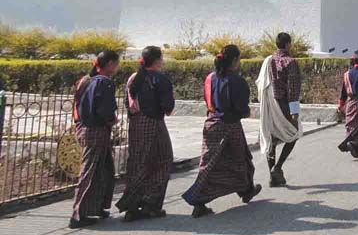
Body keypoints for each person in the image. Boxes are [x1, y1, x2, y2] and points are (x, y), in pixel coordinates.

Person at [182, 45, 261, 217]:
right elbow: (242, 109)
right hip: (229, 126)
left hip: (211, 124)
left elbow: (208, 100)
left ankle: (247, 190)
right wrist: (246, 112)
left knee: (212, 163)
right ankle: (198, 199)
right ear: (235, 60)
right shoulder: (237, 81)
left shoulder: (210, 78)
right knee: (237, 161)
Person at [116, 46, 175, 221]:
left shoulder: (133, 78)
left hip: (136, 124)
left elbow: (127, 103)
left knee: (138, 162)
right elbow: (168, 108)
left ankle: (132, 204)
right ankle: (151, 203)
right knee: (163, 160)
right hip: (154, 123)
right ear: (157, 60)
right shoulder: (160, 79)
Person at [69, 50, 120, 229]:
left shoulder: (86, 81)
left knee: (104, 169)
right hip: (96, 130)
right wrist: (112, 119)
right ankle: (78, 213)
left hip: (84, 128)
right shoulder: (104, 82)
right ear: (110, 64)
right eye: (116, 63)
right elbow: (105, 110)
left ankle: (96, 207)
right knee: (90, 171)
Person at [260, 32, 302, 187]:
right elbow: (293, 88)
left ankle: (273, 176)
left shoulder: (268, 60)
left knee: (271, 138)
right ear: (288, 44)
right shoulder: (290, 62)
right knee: (294, 134)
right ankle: (277, 168)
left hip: (270, 104)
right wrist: (294, 110)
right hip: (284, 104)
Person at [337, 51, 358, 158]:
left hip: (350, 104)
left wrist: (341, 105)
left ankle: (354, 147)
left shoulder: (347, 74)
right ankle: (355, 145)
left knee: (351, 126)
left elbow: (343, 92)